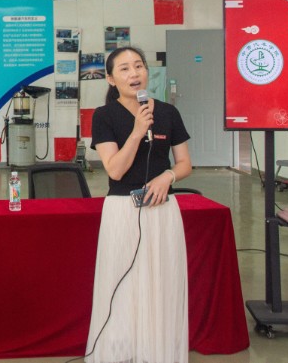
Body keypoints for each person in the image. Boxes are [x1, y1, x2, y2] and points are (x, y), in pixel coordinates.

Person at [85, 46, 193, 363]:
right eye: (124, 69)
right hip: (122, 211)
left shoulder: (169, 113)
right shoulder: (103, 116)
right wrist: (136, 132)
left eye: (139, 66)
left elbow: (185, 163)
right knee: (123, 284)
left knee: (160, 283)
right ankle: (120, 352)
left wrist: (168, 177)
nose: (134, 74)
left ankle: (155, 350)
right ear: (111, 79)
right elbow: (115, 170)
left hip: (162, 210)